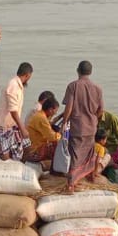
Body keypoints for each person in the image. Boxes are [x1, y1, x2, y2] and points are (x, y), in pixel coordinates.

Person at [60, 61, 105, 191]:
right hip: (91, 127)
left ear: (77, 70)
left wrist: (64, 122)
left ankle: (71, 182)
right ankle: (89, 175)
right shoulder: (98, 89)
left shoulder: (73, 86)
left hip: (77, 126)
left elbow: (69, 107)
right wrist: (94, 118)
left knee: (75, 153)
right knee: (88, 153)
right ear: (90, 72)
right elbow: (101, 110)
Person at [0, 62, 32, 132]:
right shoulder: (13, 85)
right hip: (5, 127)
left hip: (11, 126)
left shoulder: (17, 85)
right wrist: (22, 128)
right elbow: (13, 110)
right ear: (27, 75)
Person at [25, 98, 62, 162]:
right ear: (50, 110)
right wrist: (61, 133)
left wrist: (61, 115)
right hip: (35, 150)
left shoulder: (40, 115)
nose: (55, 113)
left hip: (34, 145)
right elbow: (52, 137)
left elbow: (50, 123)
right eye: (55, 111)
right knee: (58, 143)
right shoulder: (41, 118)